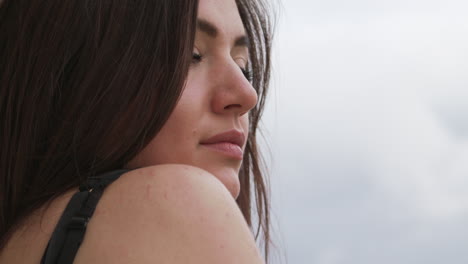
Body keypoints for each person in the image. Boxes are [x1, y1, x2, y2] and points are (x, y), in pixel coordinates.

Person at [0, 0, 276, 263]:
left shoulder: (21, 241)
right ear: (80, 70)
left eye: (244, 68)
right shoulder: (180, 202)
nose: (247, 94)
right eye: (191, 55)